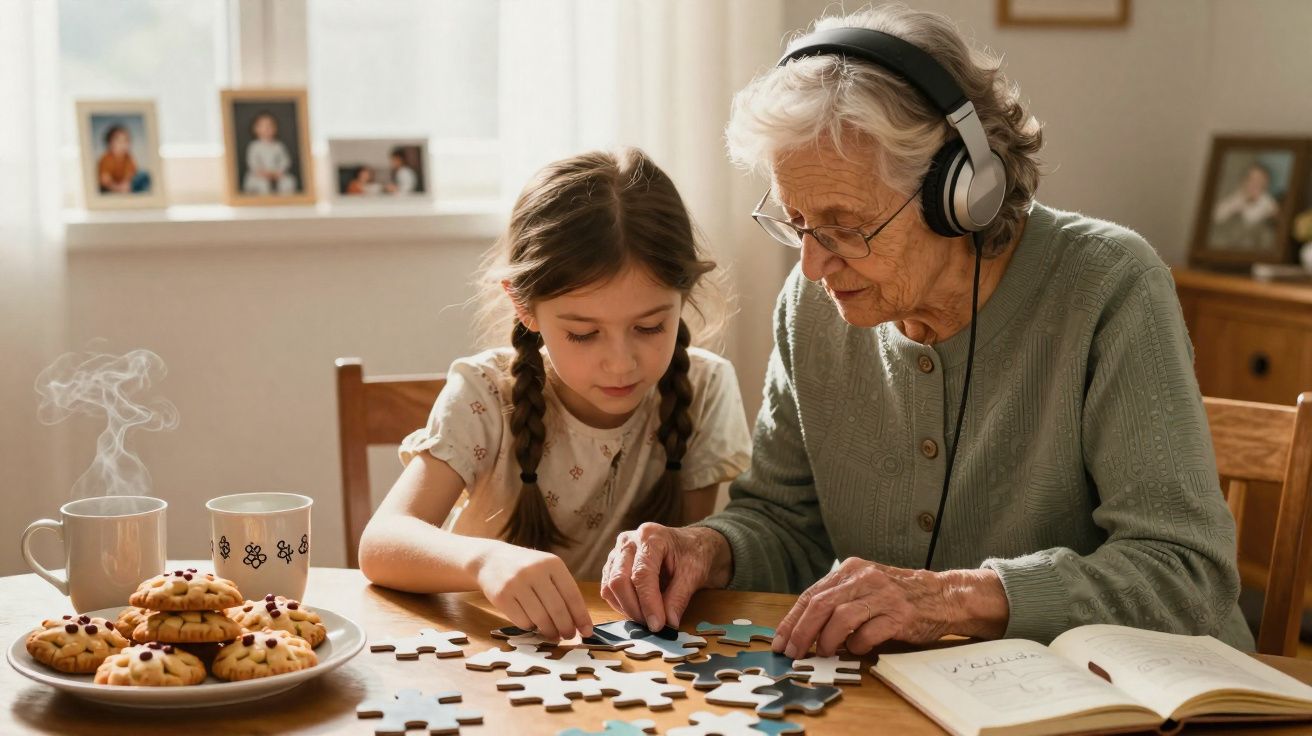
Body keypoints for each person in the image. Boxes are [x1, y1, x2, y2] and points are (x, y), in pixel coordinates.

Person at [601, 5, 1253, 657]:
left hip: (1126, 701)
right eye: (796, 220)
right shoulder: (811, 305)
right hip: (919, 703)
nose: (812, 263)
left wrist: (953, 598)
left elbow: (1187, 577)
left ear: (963, 194)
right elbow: (785, 523)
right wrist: (707, 549)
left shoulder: (1109, 285)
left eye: (845, 225)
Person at [359, 147, 752, 641]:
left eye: (650, 326)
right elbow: (381, 542)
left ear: (684, 299)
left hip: (630, 671)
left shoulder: (705, 388)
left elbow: (685, 574)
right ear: (524, 307)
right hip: (486, 662)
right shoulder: (484, 392)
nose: (621, 362)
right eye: (584, 334)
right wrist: (485, 560)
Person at [1210, 162, 1280, 251]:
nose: (1254, 184)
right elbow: (1217, 216)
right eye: (1251, 179)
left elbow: (1255, 222)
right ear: (1244, 181)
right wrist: (1238, 205)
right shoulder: (1236, 197)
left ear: (1265, 184)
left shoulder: (1268, 203)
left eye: (1259, 181)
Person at [242, 111, 298, 195]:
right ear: (255, 129)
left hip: (276, 173)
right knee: (262, 184)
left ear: (275, 128)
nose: (267, 128)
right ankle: (265, 203)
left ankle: (285, 202)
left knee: (288, 181)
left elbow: (285, 160)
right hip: (259, 174)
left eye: (270, 126)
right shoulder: (254, 146)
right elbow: (252, 162)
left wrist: (279, 171)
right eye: (263, 126)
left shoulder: (278, 146)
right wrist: (261, 172)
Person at [97, 123, 150, 194]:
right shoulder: (106, 159)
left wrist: (126, 184)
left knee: (143, 175)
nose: (123, 145)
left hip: (125, 185)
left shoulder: (128, 157)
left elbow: (131, 173)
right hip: (111, 186)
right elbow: (105, 179)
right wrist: (116, 188)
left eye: (126, 141)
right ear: (110, 143)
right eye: (119, 142)